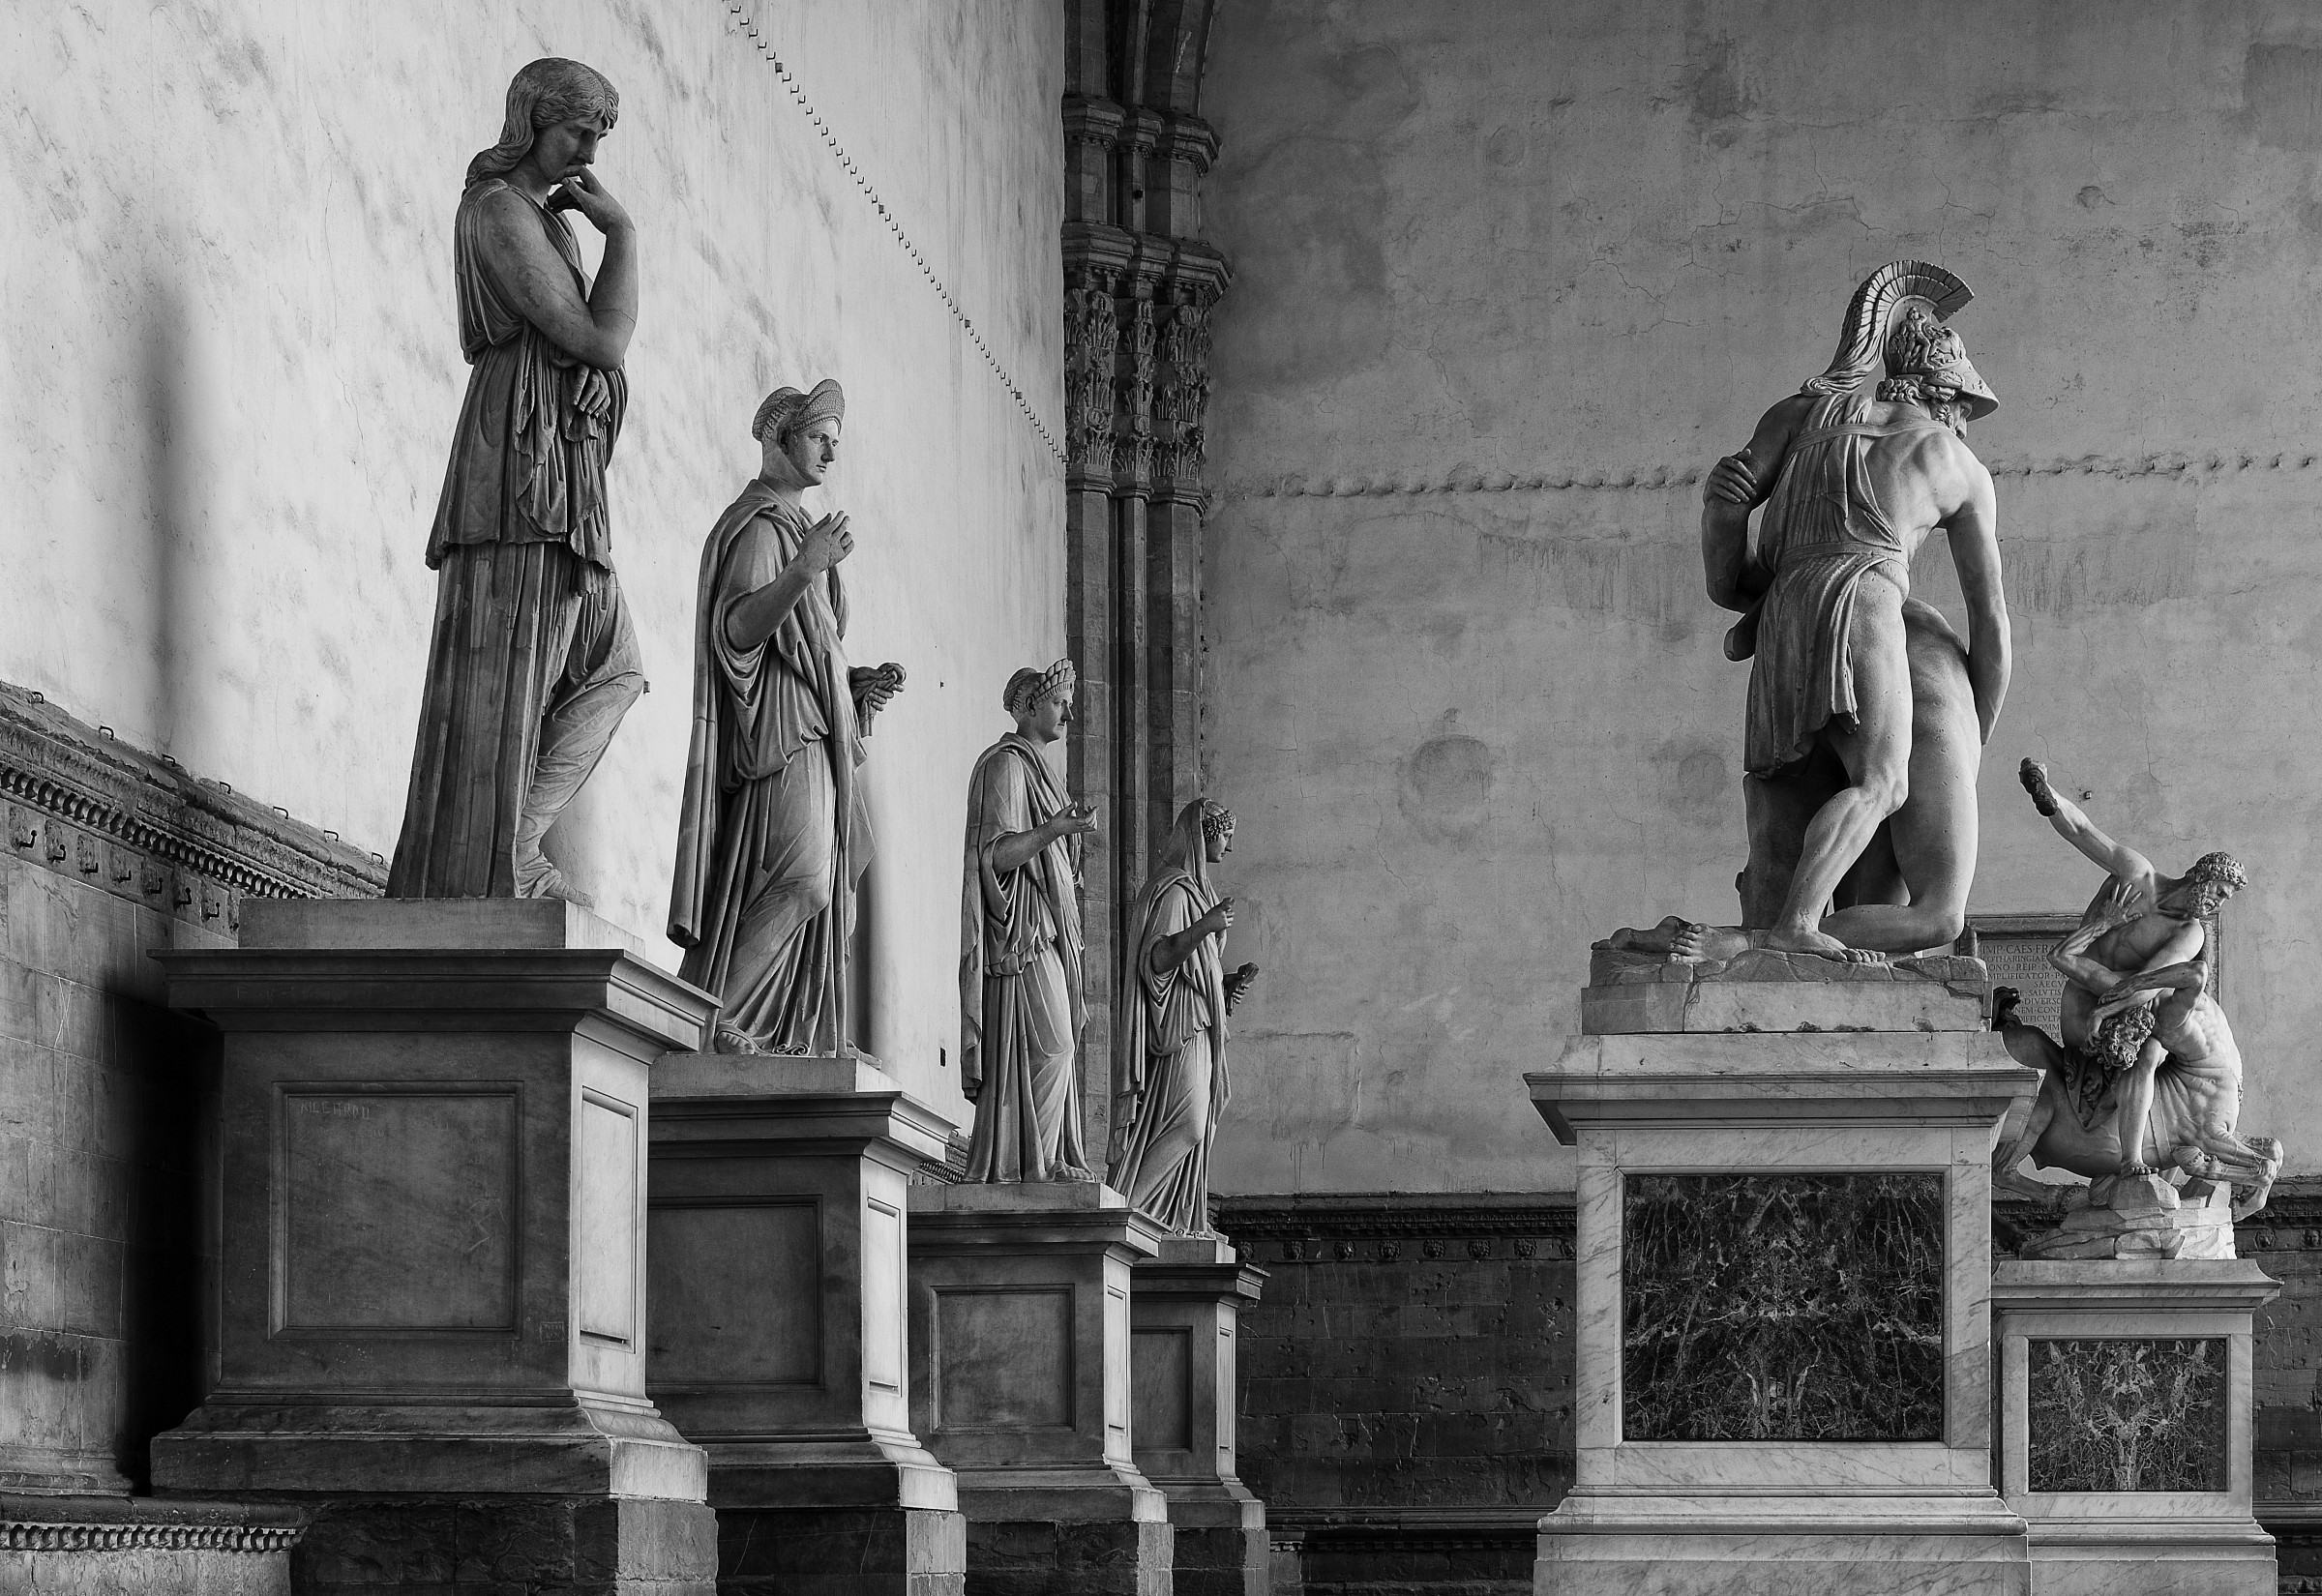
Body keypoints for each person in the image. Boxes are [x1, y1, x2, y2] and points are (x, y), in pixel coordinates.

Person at [390, 58, 644, 903]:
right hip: (519, 463)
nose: (589, 154)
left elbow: (595, 355)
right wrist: (626, 237)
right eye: (578, 132)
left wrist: (602, 385)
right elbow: (599, 340)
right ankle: (491, 865)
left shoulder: (552, 227)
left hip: (561, 468)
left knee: (612, 666)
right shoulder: (497, 211)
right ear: (531, 120)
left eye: (598, 137)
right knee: (514, 662)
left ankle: (515, 843)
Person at [1700, 274, 2009, 961]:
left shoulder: (1800, 415)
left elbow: (1728, 583)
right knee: (1883, 781)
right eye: (1966, 408)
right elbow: (1990, 622)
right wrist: (1972, 738)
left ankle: (1765, 933)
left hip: (1782, 615)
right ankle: (1793, 929)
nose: (1965, 422)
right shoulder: (1955, 461)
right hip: (1867, 598)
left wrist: (1720, 513)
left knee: (1785, 814)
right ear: (1946, 395)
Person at [668, 380, 905, 1054]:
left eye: (835, 441)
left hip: (817, 727)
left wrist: (854, 688)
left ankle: (783, 1030)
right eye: (819, 438)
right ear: (781, 437)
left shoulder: (802, 532)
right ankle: (717, 1019)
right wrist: (804, 568)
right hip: (779, 732)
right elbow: (738, 630)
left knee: (821, 881)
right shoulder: (761, 528)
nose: (831, 453)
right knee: (802, 880)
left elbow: (812, 648)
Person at [958, 662, 1100, 1182]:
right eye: (1060, 702)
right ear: (1030, 705)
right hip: (1022, 933)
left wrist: (1064, 836)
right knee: (1054, 1046)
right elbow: (993, 856)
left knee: (1062, 1046)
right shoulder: (1006, 766)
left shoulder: (1046, 776)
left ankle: (1047, 1158)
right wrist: (1053, 831)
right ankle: (1026, 1167)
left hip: (1050, 931)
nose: (1068, 714)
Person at [1110, 799, 1260, 1234]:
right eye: (1225, 836)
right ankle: (1127, 1213)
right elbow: (1158, 959)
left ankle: (1165, 1219)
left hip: (1200, 1022)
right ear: (1203, 834)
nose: (1229, 847)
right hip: (1177, 1029)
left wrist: (1224, 985)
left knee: (1198, 1122)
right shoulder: (1175, 893)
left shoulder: (1199, 894)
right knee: (1190, 1124)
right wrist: (1205, 926)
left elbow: (1195, 969)